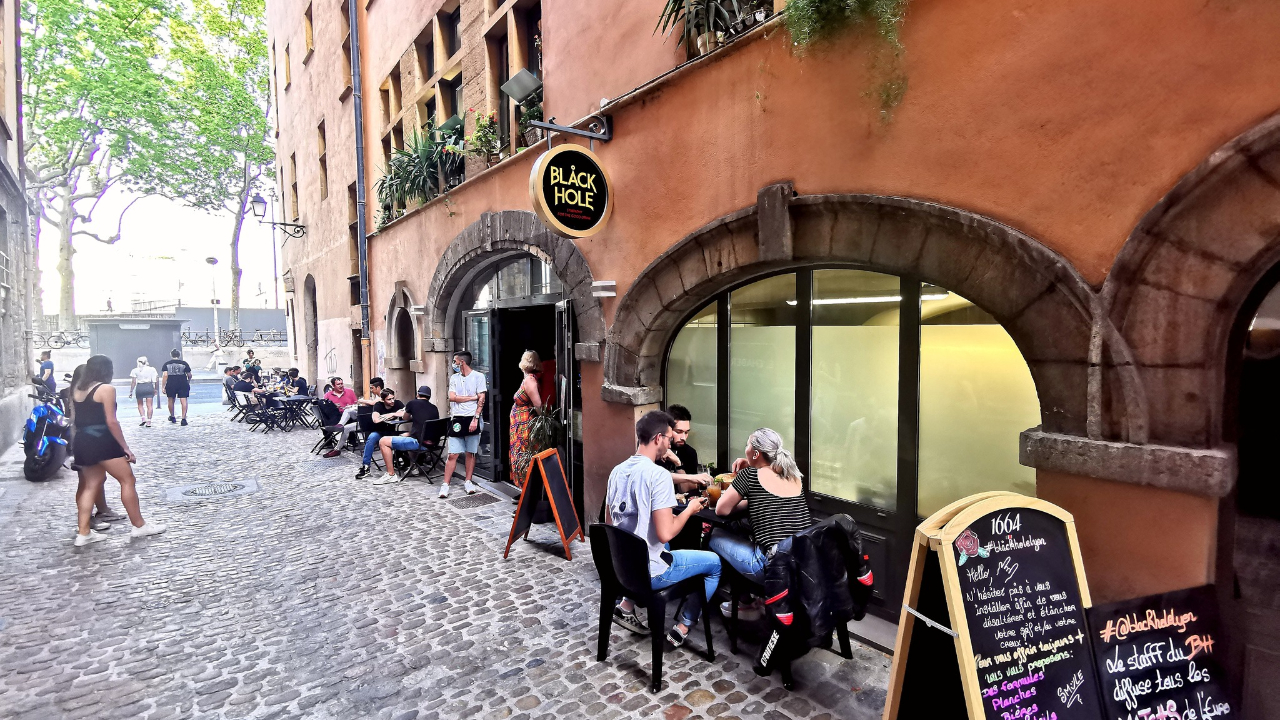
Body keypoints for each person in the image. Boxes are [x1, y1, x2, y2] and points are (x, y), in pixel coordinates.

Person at [607, 410, 720, 647]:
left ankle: (626, 604)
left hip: (622, 567)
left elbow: (612, 526)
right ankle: (684, 625)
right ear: (658, 438)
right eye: (669, 438)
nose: (670, 443)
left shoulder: (616, 471)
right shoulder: (658, 476)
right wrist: (689, 509)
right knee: (714, 563)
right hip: (650, 573)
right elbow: (665, 533)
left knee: (662, 544)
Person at [712, 427, 813, 619]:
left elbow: (721, 510)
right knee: (744, 535)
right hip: (802, 564)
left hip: (770, 568)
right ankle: (750, 600)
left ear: (756, 453)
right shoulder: (792, 475)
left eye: (747, 445)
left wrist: (747, 475)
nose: (745, 449)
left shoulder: (749, 476)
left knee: (714, 536)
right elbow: (771, 498)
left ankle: (746, 603)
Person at [69, 355, 166, 546]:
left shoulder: (78, 389)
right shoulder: (105, 389)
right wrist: (125, 447)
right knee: (127, 480)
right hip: (102, 440)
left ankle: (83, 532)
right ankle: (139, 525)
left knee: (91, 484)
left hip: (83, 440)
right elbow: (111, 421)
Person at [372, 386, 440, 486]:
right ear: (429, 397)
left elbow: (405, 417)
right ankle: (414, 467)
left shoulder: (412, 403)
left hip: (420, 443)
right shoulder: (434, 407)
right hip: (434, 442)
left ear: (417, 394)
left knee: (383, 441)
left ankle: (391, 474)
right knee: (406, 434)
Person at [441, 351, 486, 498]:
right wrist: (473, 397)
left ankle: (468, 481)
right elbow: (452, 397)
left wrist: (475, 418)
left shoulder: (479, 377)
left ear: (462, 362)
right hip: (458, 418)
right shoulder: (454, 378)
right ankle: (445, 484)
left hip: (472, 417)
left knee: (470, 452)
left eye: (455, 361)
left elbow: (482, 399)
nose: (453, 364)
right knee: (453, 453)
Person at [658, 404, 714, 493]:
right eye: (678, 432)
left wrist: (678, 464)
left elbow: (688, 491)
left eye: (686, 432)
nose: (683, 437)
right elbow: (654, 480)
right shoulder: (655, 450)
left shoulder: (689, 452)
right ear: (667, 429)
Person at [508, 350, 543, 487]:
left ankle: (526, 488)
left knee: (523, 455)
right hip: (520, 424)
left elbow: (538, 404)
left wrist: (542, 421)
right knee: (520, 455)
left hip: (525, 425)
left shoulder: (530, 381)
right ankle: (523, 488)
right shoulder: (529, 378)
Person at [355, 388, 406, 479]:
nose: (392, 401)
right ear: (383, 400)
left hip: (392, 432)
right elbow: (376, 419)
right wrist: (393, 415)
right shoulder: (379, 405)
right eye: (389, 399)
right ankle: (366, 467)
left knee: (407, 435)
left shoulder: (398, 403)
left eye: (393, 398)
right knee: (371, 438)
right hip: (380, 431)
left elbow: (405, 413)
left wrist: (391, 414)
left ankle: (407, 462)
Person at [321, 377, 359, 457]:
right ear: (333, 385)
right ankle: (331, 443)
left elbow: (356, 404)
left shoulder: (350, 392)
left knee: (348, 413)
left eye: (342, 383)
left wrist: (350, 406)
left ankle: (348, 438)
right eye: (338, 384)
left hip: (350, 417)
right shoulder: (328, 395)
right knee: (325, 419)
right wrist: (333, 406)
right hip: (335, 417)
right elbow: (325, 408)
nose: (341, 386)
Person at [160, 349, 193, 426]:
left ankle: (172, 416)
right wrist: (188, 381)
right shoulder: (184, 363)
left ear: (171, 355)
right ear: (179, 355)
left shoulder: (167, 364)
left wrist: (163, 386)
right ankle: (183, 418)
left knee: (171, 399)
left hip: (171, 383)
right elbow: (189, 375)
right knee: (183, 400)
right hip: (182, 382)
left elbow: (165, 375)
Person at [128, 357, 159, 427]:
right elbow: (156, 380)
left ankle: (143, 418)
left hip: (140, 387)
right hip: (149, 386)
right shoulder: (152, 369)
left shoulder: (135, 370)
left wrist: (131, 391)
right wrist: (156, 389)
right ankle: (149, 421)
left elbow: (133, 382)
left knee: (140, 404)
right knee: (149, 405)